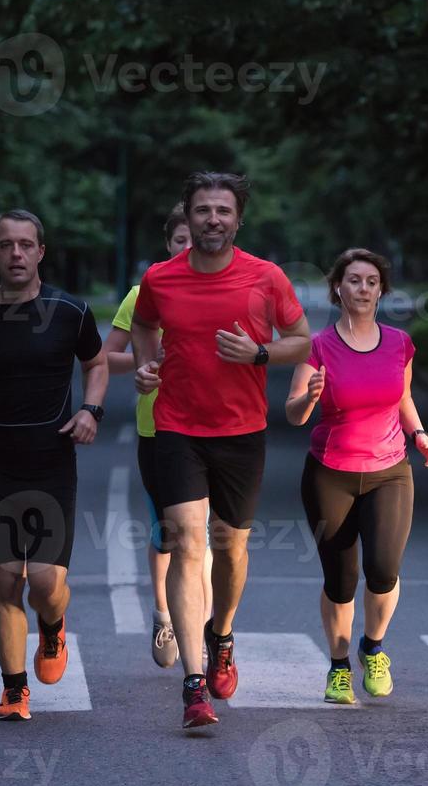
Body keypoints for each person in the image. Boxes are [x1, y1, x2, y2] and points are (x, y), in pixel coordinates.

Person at [131, 171, 312, 729]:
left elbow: (305, 340)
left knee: (229, 547)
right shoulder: (161, 278)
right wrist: (146, 365)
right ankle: (192, 684)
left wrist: (259, 354)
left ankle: (222, 632)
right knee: (187, 545)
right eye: (203, 210)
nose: (213, 219)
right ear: (188, 215)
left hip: (240, 431)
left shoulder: (265, 277)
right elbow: (143, 326)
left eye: (223, 211)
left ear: (238, 218)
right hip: (176, 428)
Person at [0, 209, 109, 721]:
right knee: (4, 583)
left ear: (40, 252)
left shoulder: (70, 311)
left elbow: (97, 364)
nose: (15, 254)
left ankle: (54, 626)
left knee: (45, 585)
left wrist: (90, 409)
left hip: (51, 463)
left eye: (25, 245)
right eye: (5, 245)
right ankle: (14, 688)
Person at [285, 248, 428, 705]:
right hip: (330, 474)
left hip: (389, 471)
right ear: (338, 288)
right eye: (354, 280)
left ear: (381, 290)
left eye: (372, 281)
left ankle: (373, 648)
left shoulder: (399, 343)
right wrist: (309, 397)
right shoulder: (316, 347)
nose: (364, 289)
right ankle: (337, 667)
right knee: (340, 579)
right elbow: (293, 414)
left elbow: (403, 398)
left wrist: (420, 434)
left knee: (383, 568)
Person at [106, 203, 211, 668]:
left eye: (196, 240)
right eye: (179, 241)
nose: (188, 249)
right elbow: (107, 357)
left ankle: (203, 628)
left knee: (204, 536)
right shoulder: (142, 294)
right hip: (160, 428)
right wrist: (149, 362)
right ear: (168, 245)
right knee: (168, 534)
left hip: (216, 427)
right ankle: (164, 611)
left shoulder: (224, 293)